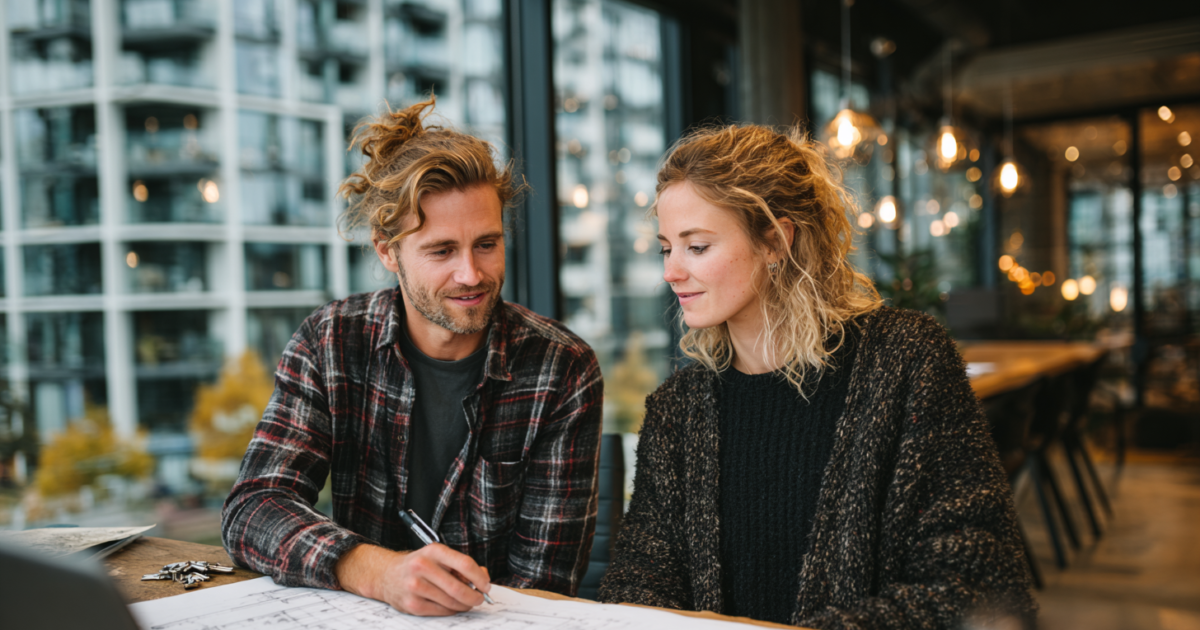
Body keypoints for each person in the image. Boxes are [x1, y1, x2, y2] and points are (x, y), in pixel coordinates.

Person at [597, 125, 1037, 629]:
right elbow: (636, 582)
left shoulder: (907, 362)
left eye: (696, 247)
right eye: (665, 249)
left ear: (776, 241)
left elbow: (978, 583)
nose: (671, 272)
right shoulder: (679, 408)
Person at [222, 98, 604, 616]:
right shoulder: (331, 342)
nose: (471, 274)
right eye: (442, 251)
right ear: (387, 250)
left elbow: (544, 582)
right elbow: (253, 507)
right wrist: (379, 572)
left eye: (487, 244)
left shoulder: (562, 369)